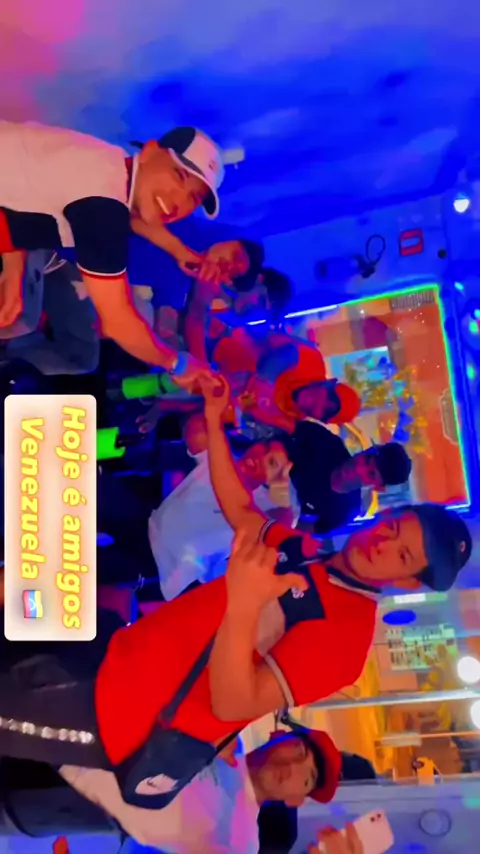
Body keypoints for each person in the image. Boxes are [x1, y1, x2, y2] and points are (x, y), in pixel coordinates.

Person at [199, 374, 471, 723]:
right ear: (383, 514)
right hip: (139, 648)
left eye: (403, 555)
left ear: (408, 581)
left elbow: (233, 706)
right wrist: (213, 419)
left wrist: (244, 604)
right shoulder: (307, 549)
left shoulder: (348, 641)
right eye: (392, 528)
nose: (383, 544)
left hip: (150, 716)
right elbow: (240, 509)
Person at [0, 121, 223, 384]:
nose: (179, 201)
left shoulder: (113, 166)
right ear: (150, 151)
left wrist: (180, 252)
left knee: (19, 317)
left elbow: (136, 221)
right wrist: (179, 364)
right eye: (179, 175)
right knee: (21, 320)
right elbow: (117, 322)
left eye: (194, 198)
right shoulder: (103, 205)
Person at [55, 725, 341, 853]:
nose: (292, 768)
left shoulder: (243, 838)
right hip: (75, 734)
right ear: (277, 736)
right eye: (298, 749)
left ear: (295, 801)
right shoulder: (224, 733)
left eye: (307, 779)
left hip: (62, 796)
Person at [148, 413, 300, 600]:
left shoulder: (266, 508)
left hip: (163, 570)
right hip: (149, 525)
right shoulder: (225, 461)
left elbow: (282, 527)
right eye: (265, 447)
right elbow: (196, 428)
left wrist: (283, 498)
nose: (260, 456)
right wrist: (230, 413)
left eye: (272, 463)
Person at [287, 420, 412, 533]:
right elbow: (285, 427)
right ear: (367, 450)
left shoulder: (346, 511)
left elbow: (310, 529)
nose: (358, 468)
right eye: (367, 458)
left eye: (371, 474)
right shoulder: (328, 443)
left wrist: (285, 523)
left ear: (378, 487)